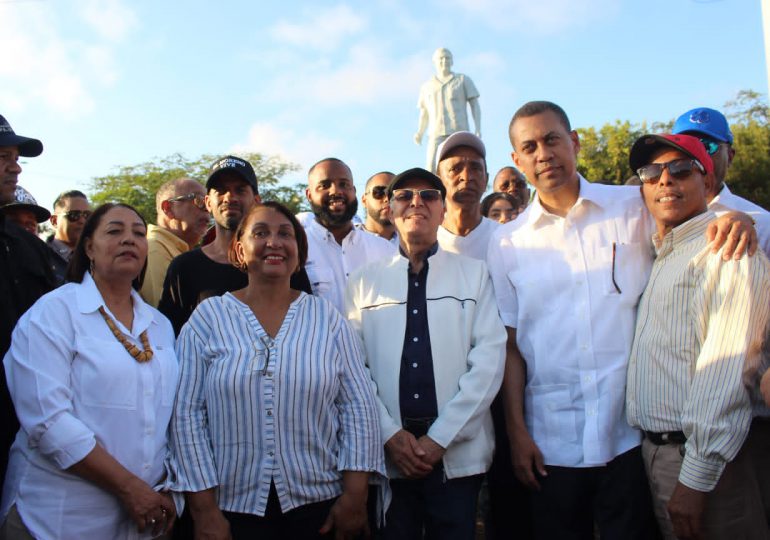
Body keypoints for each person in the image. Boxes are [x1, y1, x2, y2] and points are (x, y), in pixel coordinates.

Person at [487, 101, 758, 540]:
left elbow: (687, 210)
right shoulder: (506, 242)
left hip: (629, 439)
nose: (544, 154)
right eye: (530, 146)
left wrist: (738, 217)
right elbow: (512, 346)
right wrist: (517, 432)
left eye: (553, 139)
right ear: (517, 161)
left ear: (574, 142)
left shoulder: (630, 206)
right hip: (551, 443)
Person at [169, 201, 384, 539]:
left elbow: (357, 406)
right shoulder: (208, 318)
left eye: (286, 234)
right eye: (261, 233)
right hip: (230, 509)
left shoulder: (326, 319)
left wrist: (355, 496)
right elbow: (186, 415)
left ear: (299, 253)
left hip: (319, 505)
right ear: (239, 249)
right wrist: (204, 510)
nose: (274, 242)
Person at [1, 203, 178, 539]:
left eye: (139, 234)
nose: (130, 240)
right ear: (89, 248)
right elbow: (48, 421)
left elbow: (167, 418)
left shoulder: (160, 325)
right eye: (114, 231)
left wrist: (166, 487)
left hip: (143, 522)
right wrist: (130, 488)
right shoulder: (53, 313)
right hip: (58, 519)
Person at [346, 167, 506, 540]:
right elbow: (353, 369)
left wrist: (439, 439)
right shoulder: (363, 281)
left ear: (442, 209)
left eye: (429, 195)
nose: (416, 202)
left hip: (455, 457)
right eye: (404, 195)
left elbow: (488, 361)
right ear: (389, 209)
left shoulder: (475, 274)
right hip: (390, 456)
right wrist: (390, 436)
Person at [625, 133, 770, 540]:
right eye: (651, 173)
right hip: (657, 455)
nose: (664, 180)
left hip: (705, 462)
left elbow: (726, 372)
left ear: (707, 182)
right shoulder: (663, 253)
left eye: (680, 169)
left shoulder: (727, 251)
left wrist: (697, 475)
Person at [158, 155, 311, 334]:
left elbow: (307, 325)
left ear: (256, 200)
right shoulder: (185, 267)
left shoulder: (280, 261)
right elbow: (169, 338)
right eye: (221, 191)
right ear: (208, 202)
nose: (230, 197)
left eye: (240, 190)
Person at [0, 114, 54, 486]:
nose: (16, 168)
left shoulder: (29, 248)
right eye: (3, 156)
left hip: (21, 432)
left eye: (16, 157)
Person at [673, 106, 770, 255]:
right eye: (685, 147)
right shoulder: (654, 215)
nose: (696, 156)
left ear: (730, 156)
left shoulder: (764, 226)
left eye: (706, 146)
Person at [302, 157, 394, 313]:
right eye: (324, 185)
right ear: (309, 194)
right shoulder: (296, 249)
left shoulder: (386, 251)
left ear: (354, 191)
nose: (336, 191)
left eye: (344, 184)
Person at [140, 177, 209, 307]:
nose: (208, 209)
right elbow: (163, 317)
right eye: (199, 200)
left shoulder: (179, 252)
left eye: (209, 202)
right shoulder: (154, 249)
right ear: (168, 208)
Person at [435, 131, 499, 260]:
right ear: (438, 181)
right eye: (456, 169)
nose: (466, 177)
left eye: (475, 169)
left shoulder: (505, 239)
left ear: (486, 179)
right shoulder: (426, 244)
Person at [414, 48, 481, 172]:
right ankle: (433, 191)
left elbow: (474, 105)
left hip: (458, 130)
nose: (444, 61)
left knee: (462, 164)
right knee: (431, 167)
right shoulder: (427, 86)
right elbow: (424, 113)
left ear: (452, 61)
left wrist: (478, 128)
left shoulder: (462, 80)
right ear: (434, 62)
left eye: (447, 58)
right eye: (441, 58)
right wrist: (420, 132)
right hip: (436, 132)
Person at [46, 190, 92, 272]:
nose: (82, 221)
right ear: (54, 221)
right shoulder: (40, 256)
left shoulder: (96, 257)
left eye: (87, 215)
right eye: (74, 215)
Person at [361, 171, 398, 245]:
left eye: (394, 194)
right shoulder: (346, 241)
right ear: (364, 200)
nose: (387, 199)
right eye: (379, 192)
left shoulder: (415, 245)